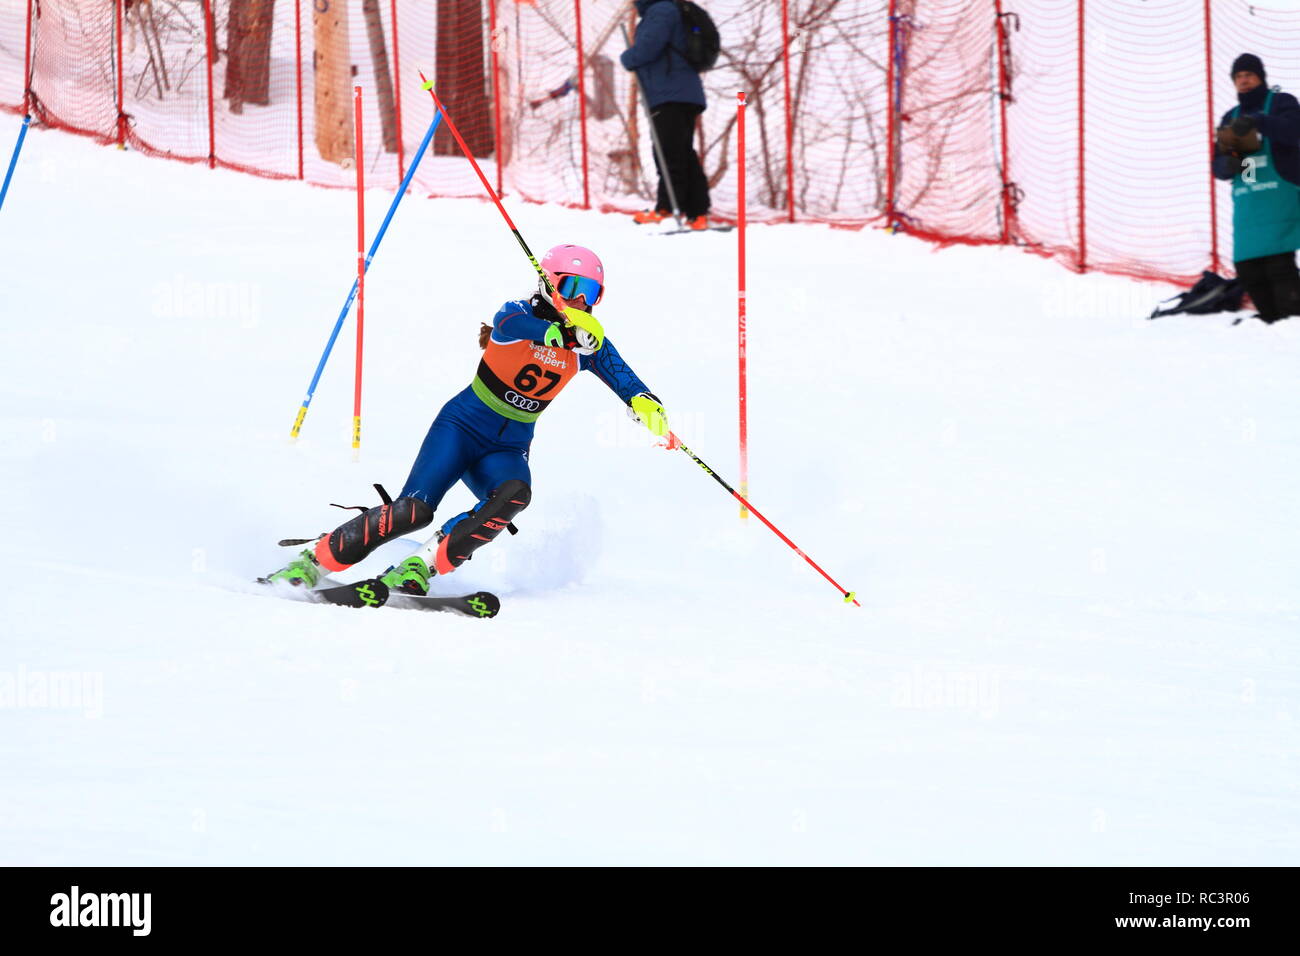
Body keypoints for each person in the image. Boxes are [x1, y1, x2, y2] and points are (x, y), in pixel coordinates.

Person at [266, 244, 670, 594]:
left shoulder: (590, 344)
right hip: (461, 428)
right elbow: (513, 326)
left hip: (509, 446)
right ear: (549, 282)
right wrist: (561, 336)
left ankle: (419, 567)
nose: (581, 300)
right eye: (572, 287)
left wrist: (647, 405)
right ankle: (313, 560)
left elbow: (626, 379)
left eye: (592, 293)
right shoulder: (517, 313)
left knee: (513, 495)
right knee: (413, 512)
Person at [1213, 53, 1300, 323]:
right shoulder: (1231, 116)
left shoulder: (1282, 103)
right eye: (1238, 77)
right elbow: (1228, 168)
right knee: (1247, 266)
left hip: (1280, 195)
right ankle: (1271, 320)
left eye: (1249, 75)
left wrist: (1259, 121)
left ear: (1261, 77)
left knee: (1277, 263)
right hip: (1250, 198)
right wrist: (1230, 163)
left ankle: (1292, 320)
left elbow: (1293, 131)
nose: (1244, 81)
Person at [621, 0, 711, 230]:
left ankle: (668, 208)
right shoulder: (670, 9)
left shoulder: (661, 10)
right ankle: (697, 213)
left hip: (669, 92)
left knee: (668, 152)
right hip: (682, 92)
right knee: (682, 152)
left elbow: (649, 47)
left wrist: (628, 58)